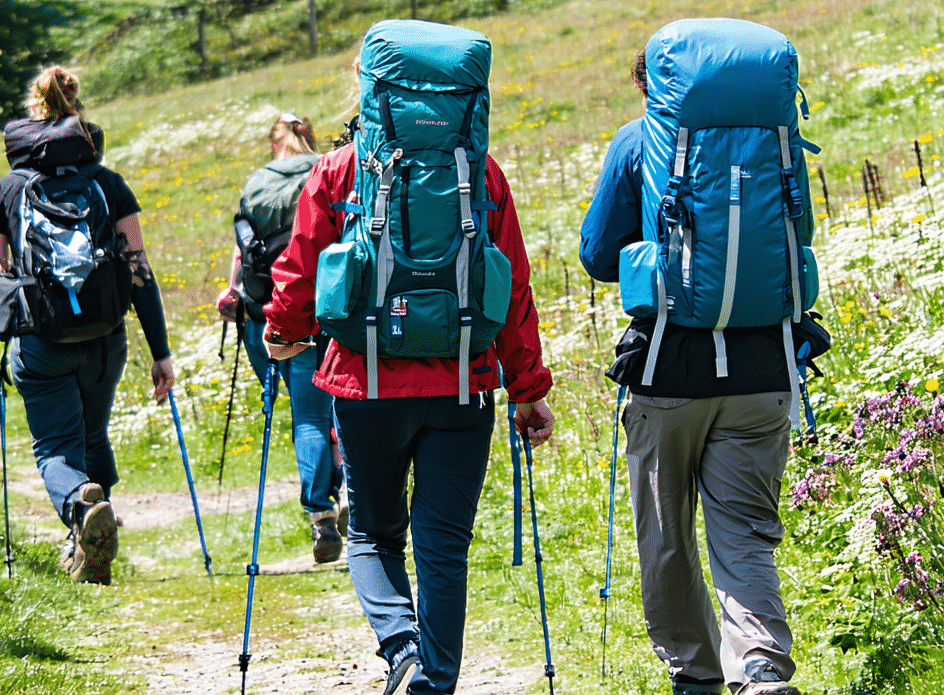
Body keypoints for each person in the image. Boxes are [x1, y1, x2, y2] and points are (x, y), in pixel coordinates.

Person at [263, 54, 555, 695]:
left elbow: (300, 266)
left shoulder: (339, 171)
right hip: (463, 383)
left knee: (371, 531)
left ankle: (404, 655)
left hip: (365, 382)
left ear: (373, 94)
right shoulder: (481, 172)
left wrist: (282, 332)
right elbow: (513, 289)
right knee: (445, 545)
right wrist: (527, 389)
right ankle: (437, 682)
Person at [578, 48, 802, 695]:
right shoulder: (777, 141)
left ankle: (697, 675)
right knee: (746, 534)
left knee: (666, 535)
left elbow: (596, 254)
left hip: (667, 369)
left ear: (656, 87)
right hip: (763, 368)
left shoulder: (636, 140)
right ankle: (760, 669)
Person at [0, 65, 176, 586]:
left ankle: (81, 508)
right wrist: (161, 351)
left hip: (39, 341)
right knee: (91, 432)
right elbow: (139, 271)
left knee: (56, 448)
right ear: (79, 115)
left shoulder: (6, 191)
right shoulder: (108, 184)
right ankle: (92, 521)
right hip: (106, 339)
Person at [215, 112, 346, 564]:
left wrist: (232, 291)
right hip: (327, 309)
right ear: (310, 138)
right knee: (340, 401)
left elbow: (241, 245)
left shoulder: (257, 183)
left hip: (267, 315)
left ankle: (322, 515)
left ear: (275, 145)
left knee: (305, 412)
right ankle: (346, 487)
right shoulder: (333, 168)